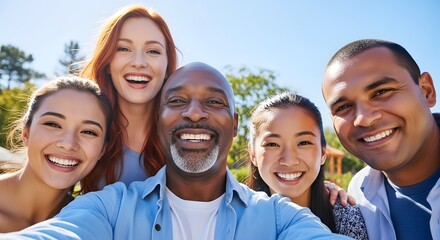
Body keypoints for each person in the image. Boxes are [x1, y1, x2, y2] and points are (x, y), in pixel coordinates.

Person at [0, 62, 352, 239]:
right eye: (178, 101)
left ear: (234, 122)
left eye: (213, 102)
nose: (195, 112)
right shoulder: (110, 207)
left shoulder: (279, 218)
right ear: (158, 121)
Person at [322, 39, 440, 240]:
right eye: (343, 107)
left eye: (381, 92)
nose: (364, 118)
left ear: (426, 90)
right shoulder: (357, 196)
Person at [79, 4, 178, 192]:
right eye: (124, 49)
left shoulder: (184, 137)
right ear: (107, 62)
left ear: (167, 66)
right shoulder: (85, 132)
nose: (139, 62)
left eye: (153, 51)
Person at [247, 91, 368, 239]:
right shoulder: (233, 217)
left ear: (323, 153)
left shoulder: (346, 219)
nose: (289, 160)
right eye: (273, 144)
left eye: (304, 143)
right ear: (253, 154)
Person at [0, 76, 112, 232]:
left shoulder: (91, 225)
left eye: (88, 132)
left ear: (102, 150)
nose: (68, 144)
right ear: (26, 133)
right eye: (53, 124)